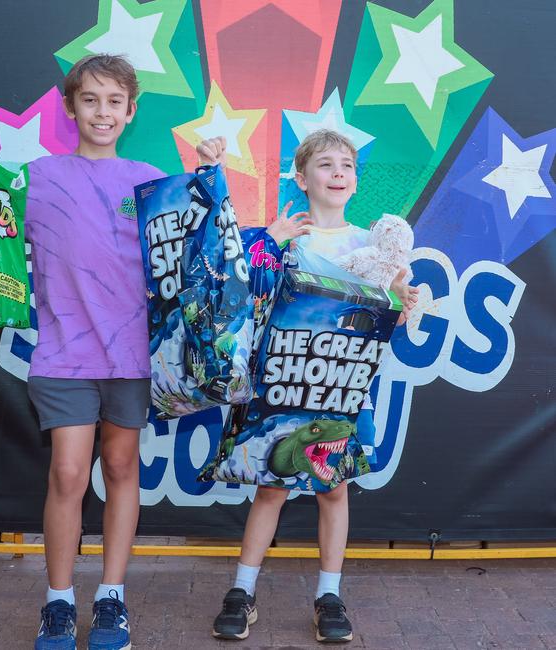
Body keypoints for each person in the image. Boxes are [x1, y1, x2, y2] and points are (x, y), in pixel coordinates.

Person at [0, 54, 226, 650]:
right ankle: (57, 602)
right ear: (70, 107)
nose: (103, 112)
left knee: (123, 469)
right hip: (63, 354)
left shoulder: (151, 181)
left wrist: (208, 177)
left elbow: (199, 255)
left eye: (114, 102)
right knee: (70, 473)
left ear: (131, 111)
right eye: (91, 100)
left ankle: (111, 598)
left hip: (131, 356)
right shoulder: (35, 177)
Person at [205, 129, 418, 644]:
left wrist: (402, 296)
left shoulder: (371, 242)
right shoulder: (285, 234)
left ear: (355, 180)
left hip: (339, 386)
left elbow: (390, 307)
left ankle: (329, 595)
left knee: (334, 488)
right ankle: (242, 590)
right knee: (270, 486)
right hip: (283, 382)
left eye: (346, 165)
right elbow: (245, 291)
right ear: (301, 179)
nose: (338, 172)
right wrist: (270, 243)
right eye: (325, 165)